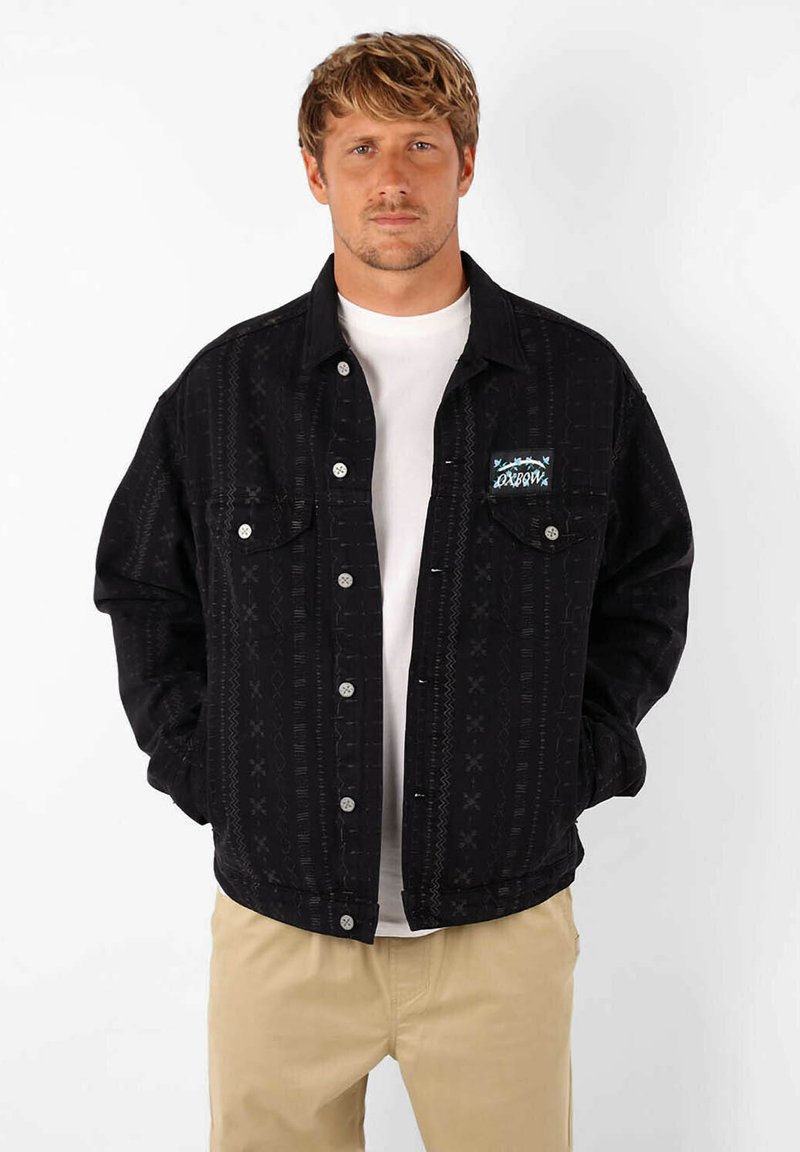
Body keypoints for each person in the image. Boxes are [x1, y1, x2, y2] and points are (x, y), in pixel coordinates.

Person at [93, 29, 694, 1152]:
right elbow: (144, 592)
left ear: (466, 162)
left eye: (421, 144)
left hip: (501, 924)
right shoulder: (227, 390)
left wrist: (576, 759)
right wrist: (208, 771)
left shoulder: (574, 382)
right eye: (359, 147)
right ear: (314, 172)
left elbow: (648, 584)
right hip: (280, 926)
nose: (392, 178)